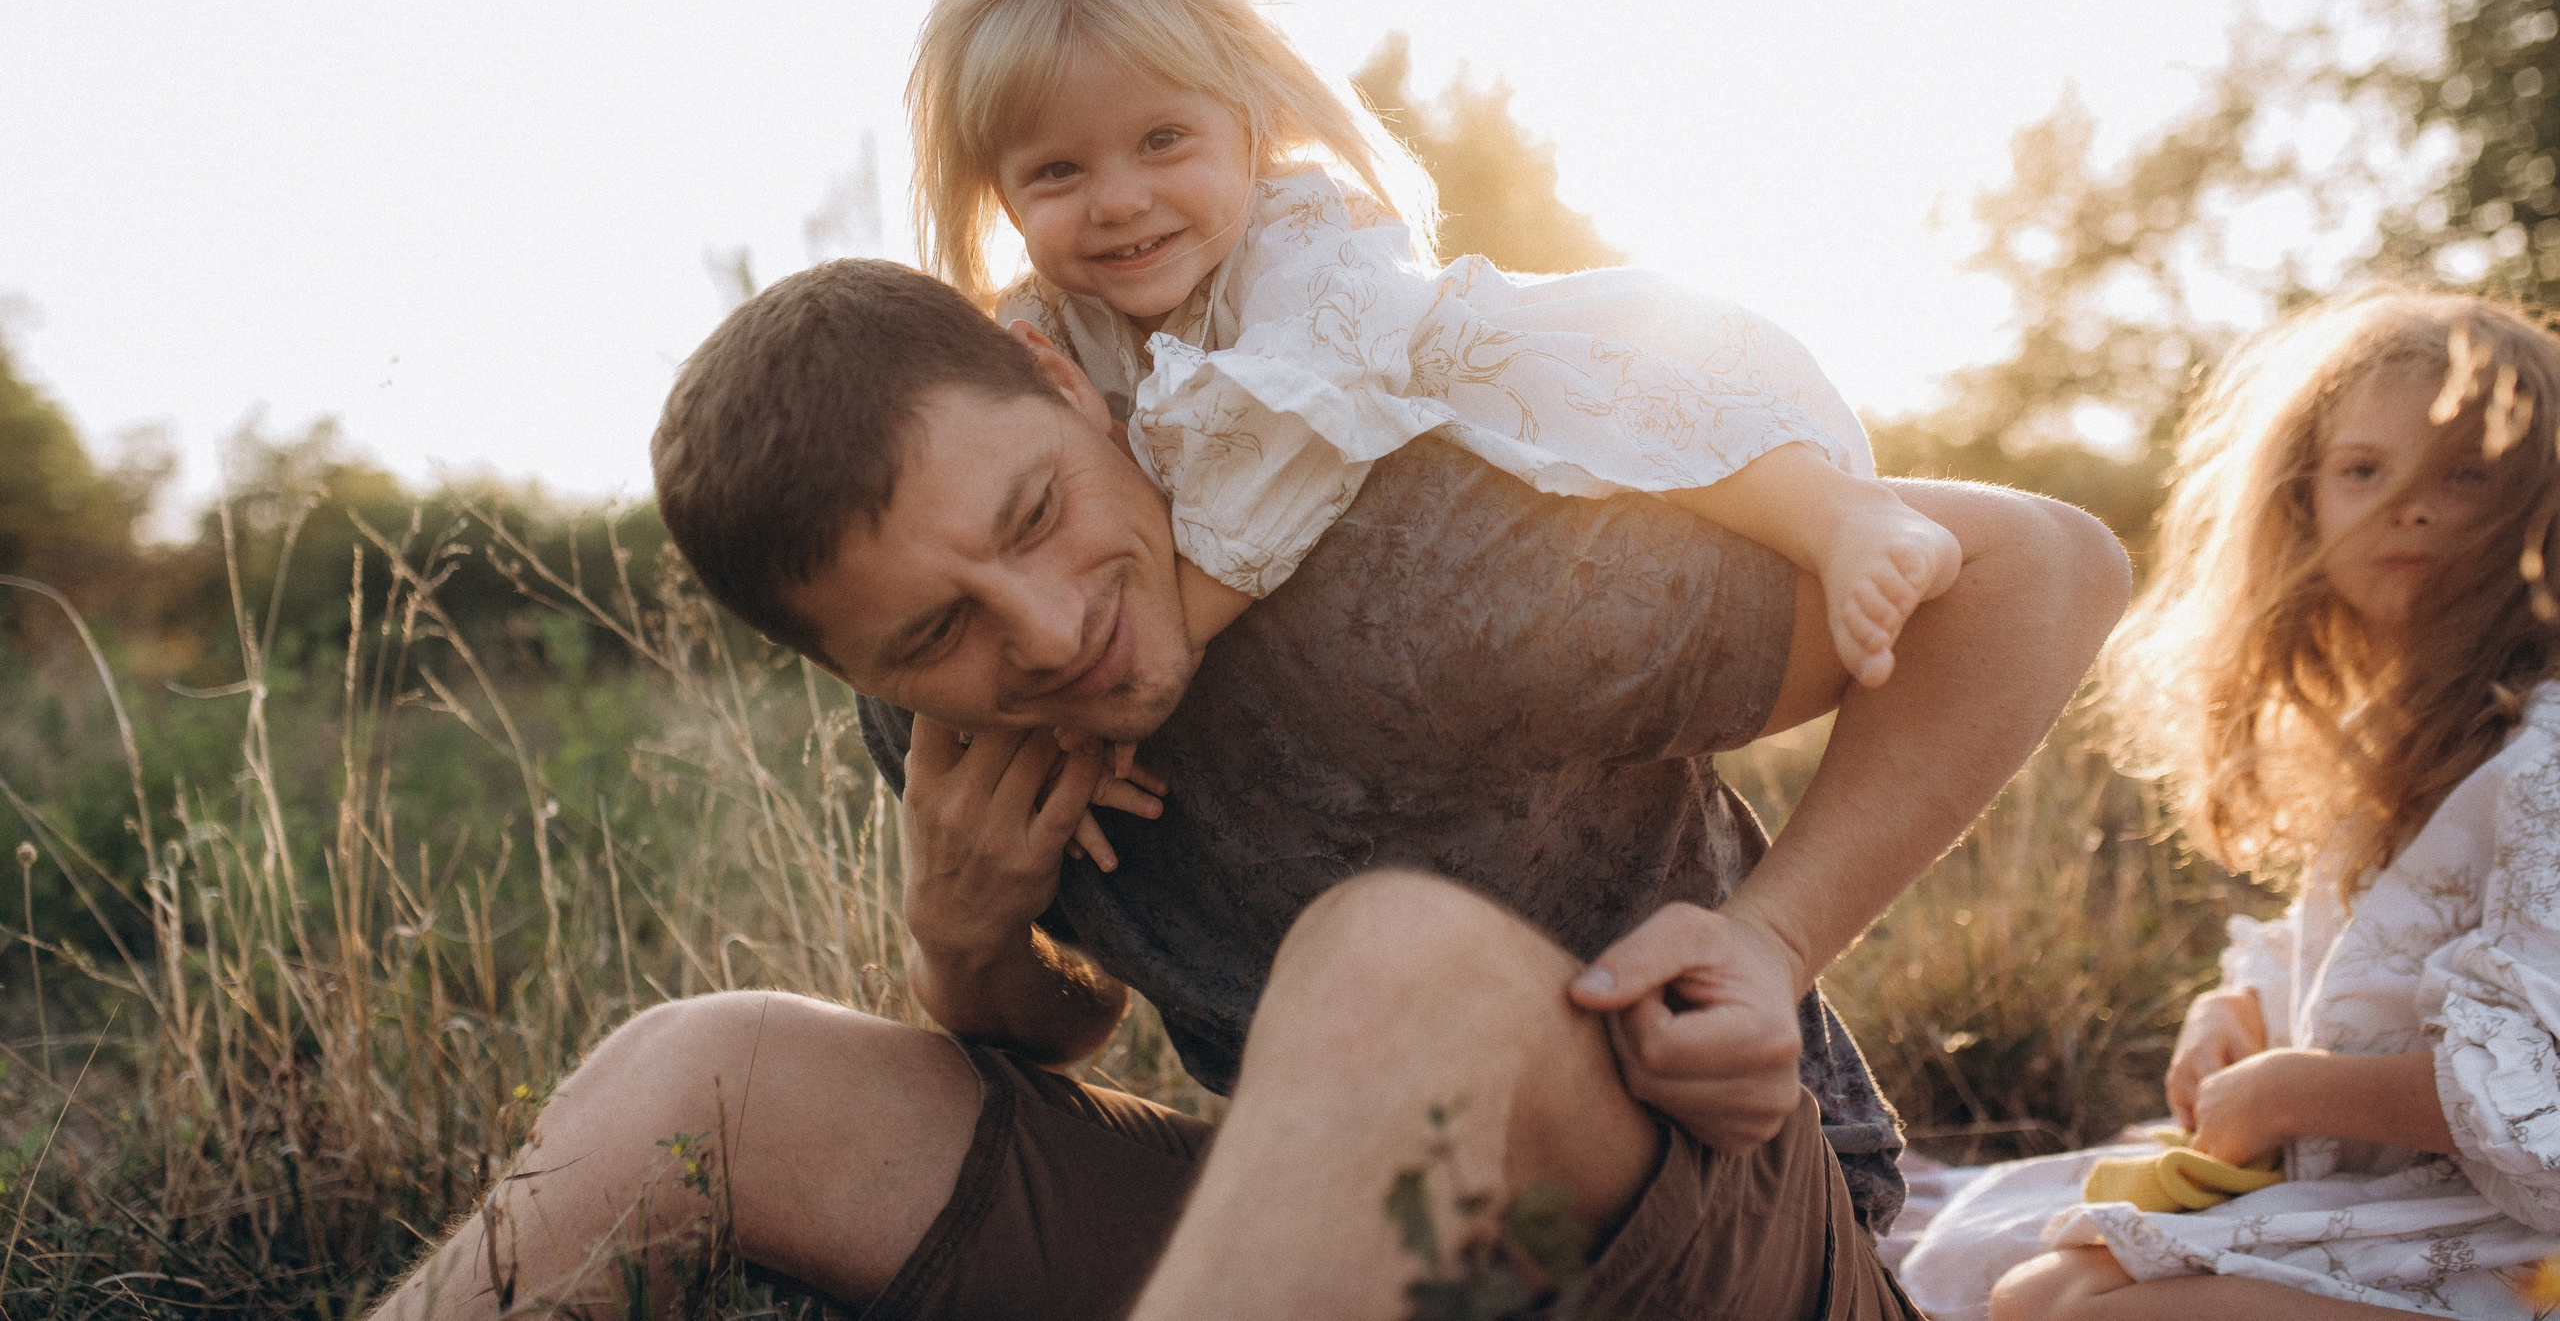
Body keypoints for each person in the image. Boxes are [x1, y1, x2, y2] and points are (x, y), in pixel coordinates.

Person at [374, 259, 2125, 1321]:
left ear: (1066, 380)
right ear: (848, 663)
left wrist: (1773, 937)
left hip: (1690, 1238)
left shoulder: (1416, 552)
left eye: (1038, 513)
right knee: (711, 1063)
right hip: (1361, 1256)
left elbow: (2041, 566)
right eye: (933, 630)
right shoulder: (941, 729)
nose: (1049, 632)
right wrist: (966, 942)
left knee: (1388, 956)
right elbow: (1059, 1029)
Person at [910, 0, 1959, 692]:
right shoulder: (1042, 324)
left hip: (1486, 373)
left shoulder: (1312, 234)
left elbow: (1274, 445)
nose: (1119, 200)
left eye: (1162, 140)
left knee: (1643, 405)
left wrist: (1151, 657)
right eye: (1058, 172)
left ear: (1250, 124)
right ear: (998, 194)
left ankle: (1839, 516)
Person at [1899, 291, 2560, 1321]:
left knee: (2070, 1311)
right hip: (2406, 1198)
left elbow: (2543, 1091)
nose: (2409, 504)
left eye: (2464, 473)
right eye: (2362, 469)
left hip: (2523, 1237)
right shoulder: (2410, 741)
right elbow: (2353, 957)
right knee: (2027, 1280)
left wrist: (2297, 1091)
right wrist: (2238, 1012)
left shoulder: (2542, 762)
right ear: (2303, 503)